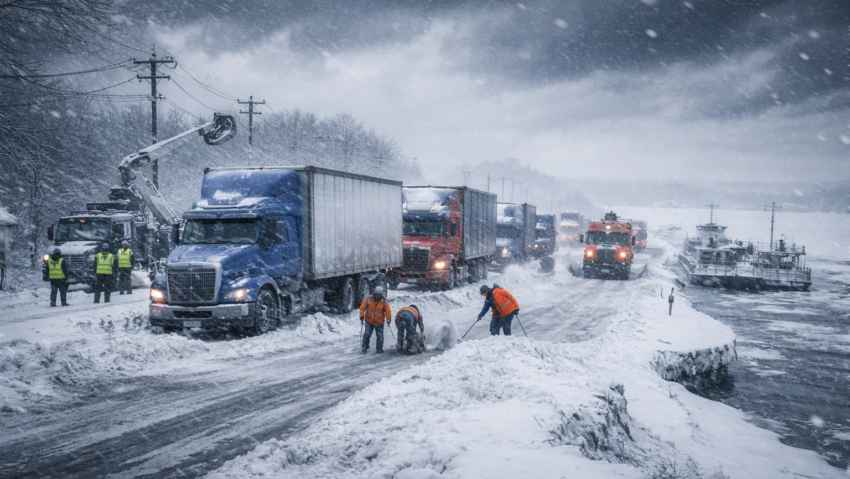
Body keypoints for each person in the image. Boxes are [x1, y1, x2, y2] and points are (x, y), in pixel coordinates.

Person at [359, 286, 392, 353]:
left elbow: (388, 311)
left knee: (380, 336)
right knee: (367, 334)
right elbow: (362, 307)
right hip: (369, 321)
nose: (377, 296)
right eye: (375, 294)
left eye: (378, 295)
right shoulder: (368, 299)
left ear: (381, 295)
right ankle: (364, 346)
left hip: (379, 322)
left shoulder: (385, 301)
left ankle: (379, 348)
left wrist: (388, 320)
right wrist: (361, 316)